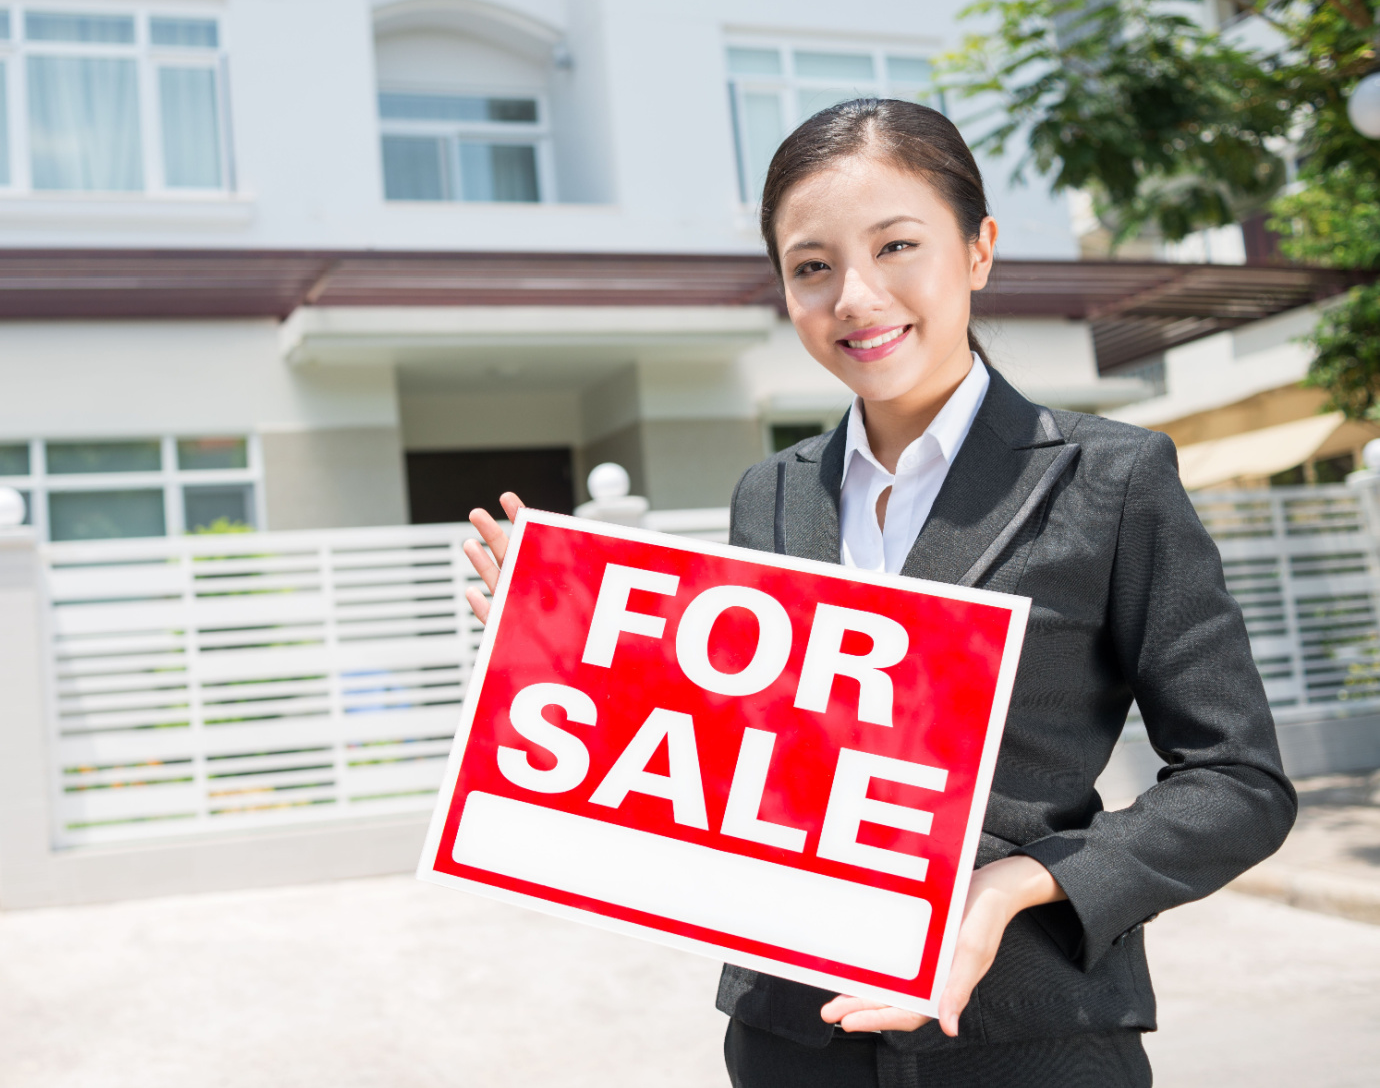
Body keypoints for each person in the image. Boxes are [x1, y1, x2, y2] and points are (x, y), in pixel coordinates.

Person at [460, 98, 1296, 1087]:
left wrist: (1003, 890)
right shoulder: (769, 492)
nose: (854, 295)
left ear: (978, 249)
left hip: (1025, 1038)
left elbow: (1237, 783)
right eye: (811, 266)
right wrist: (582, 639)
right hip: (790, 1037)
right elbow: (758, 742)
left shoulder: (1110, 481)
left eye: (896, 245)